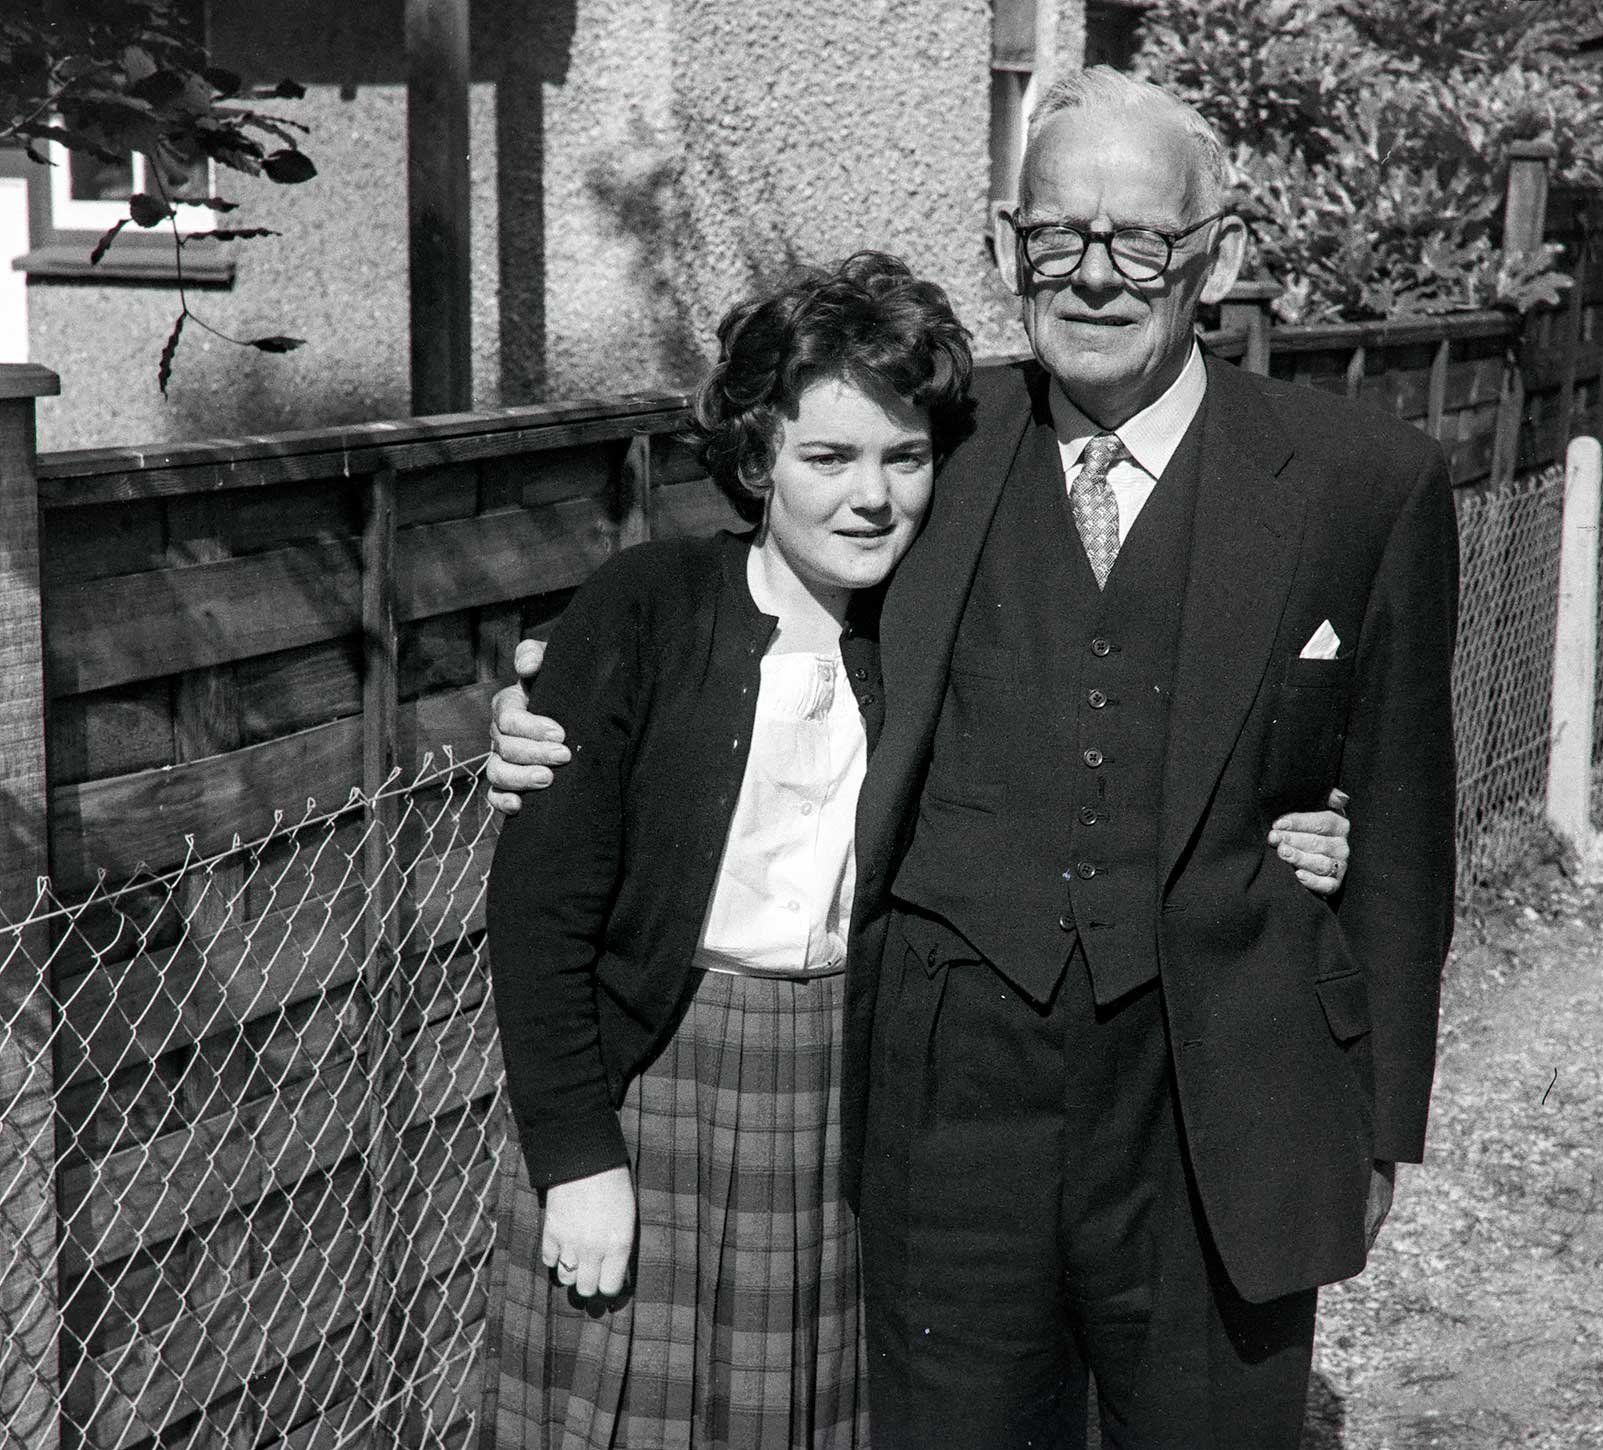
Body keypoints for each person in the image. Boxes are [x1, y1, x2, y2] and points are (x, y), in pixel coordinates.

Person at [489, 66, 1455, 1450]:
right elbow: (759, 570)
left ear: (1219, 255)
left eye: (1142, 243)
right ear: (1008, 248)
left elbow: (1409, 825)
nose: (1097, 277)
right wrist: (552, 704)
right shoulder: (939, 438)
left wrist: (1379, 1124)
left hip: (1223, 1092)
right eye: (1057, 235)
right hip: (950, 1098)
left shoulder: (1366, 479)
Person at [476, 252, 971, 1450]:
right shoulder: (646, 609)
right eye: (827, 456)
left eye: (903, 458)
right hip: (660, 1077)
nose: (870, 496)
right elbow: (539, 912)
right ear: (754, 462)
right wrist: (578, 1157)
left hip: (849, 1089)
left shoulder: (936, 634)